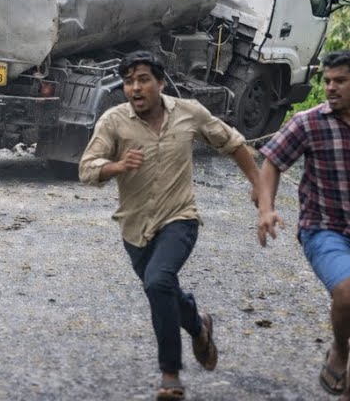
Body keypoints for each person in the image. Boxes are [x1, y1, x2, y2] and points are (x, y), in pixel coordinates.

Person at [79, 51, 260, 401]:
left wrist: (258, 184)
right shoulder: (114, 121)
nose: (135, 87)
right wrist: (117, 166)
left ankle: (170, 375)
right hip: (135, 228)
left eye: (143, 79)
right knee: (162, 288)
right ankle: (198, 325)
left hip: (180, 218)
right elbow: (87, 168)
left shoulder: (189, 112)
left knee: (159, 281)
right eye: (129, 81)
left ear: (161, 82)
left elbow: (233, 142)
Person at [256, 50, 350, 400]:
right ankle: (340, 347)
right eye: (327, 81)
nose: (330, 88)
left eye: (340, 81)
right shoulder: (308, 122)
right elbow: (272, 162)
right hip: (324, 229)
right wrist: (267, 209)